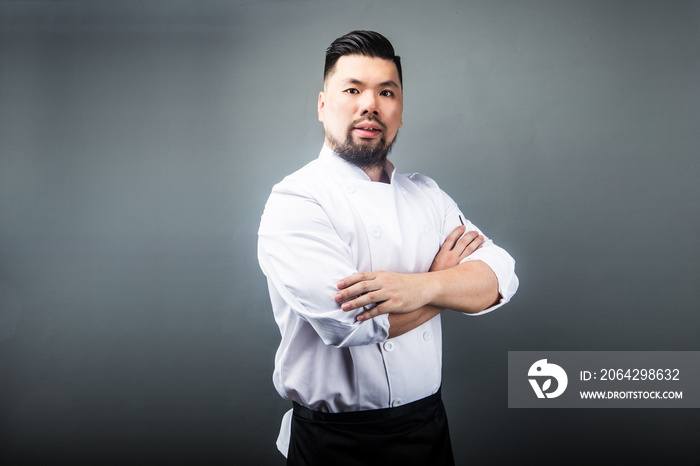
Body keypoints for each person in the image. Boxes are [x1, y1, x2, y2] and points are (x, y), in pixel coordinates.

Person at [258, 30, 518, 466]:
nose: (369, 105)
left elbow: (500, 277)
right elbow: (349, 325)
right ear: (323, 105)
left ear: (399, 112)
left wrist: (415, 289)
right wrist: (443, 285)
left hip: (427, 430)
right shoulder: (297, 199)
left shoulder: (428, 195)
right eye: (353, 89)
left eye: (386, 92)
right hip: (334, 443)